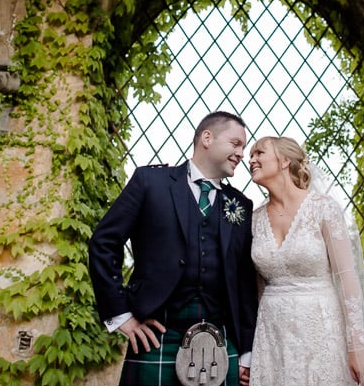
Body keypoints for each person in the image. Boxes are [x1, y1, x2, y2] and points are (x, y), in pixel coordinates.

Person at [89, 110, 259, 386]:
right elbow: (104, 242)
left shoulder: (240, 204)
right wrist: (121, 315)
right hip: (157, 336)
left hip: (220, 343)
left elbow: (244, 283)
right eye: (235, 143)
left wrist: (247, 351)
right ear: (207, 137)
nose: (242, 154)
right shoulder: (150, 182)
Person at [247, 136, 364, 386]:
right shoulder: (254, 219)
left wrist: (356, 344)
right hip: (272, 336)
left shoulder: (323, 208)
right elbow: (257, 290)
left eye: (259, 152)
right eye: (250, 155)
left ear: (284, 161)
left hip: (321, 330)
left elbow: (347, 277)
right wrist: (249, 352)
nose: (251, 159)